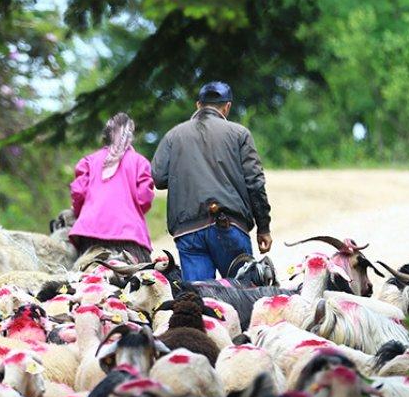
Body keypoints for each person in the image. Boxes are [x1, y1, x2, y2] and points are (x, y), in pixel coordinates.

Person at [152, 81, 272, 281]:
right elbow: (255, 183)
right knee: (243, 298)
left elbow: (158, 177)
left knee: (199, 301)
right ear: (227, 106)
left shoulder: (174, 135)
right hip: (229, 226)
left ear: (198, 105)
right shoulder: (240, 134)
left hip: (188, 231)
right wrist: (264, 227)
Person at [68, 113, 155, 263]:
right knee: (134, 281)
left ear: (106, 135)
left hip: (90, 233)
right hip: (129, 236)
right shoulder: (140, 162)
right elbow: (144, 199)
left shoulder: (89, 161)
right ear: (130, 136)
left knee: (89, 282)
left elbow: (78, 193)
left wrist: (79, 212)